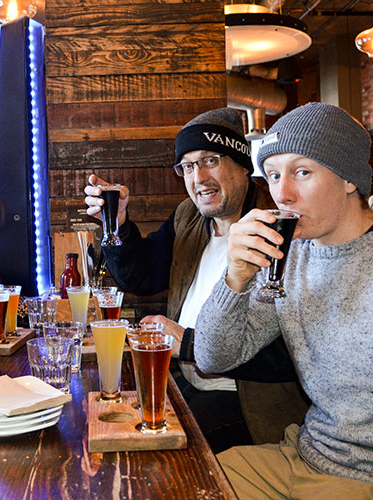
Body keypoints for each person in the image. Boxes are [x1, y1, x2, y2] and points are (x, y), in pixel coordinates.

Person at [195, 102, 373, 499]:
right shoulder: (290, 253)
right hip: (303, 457)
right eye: (273, 175)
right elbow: (214, 357)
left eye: (303, 172)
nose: (282, 194)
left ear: (349, 178)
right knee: (183, 482)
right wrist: (235, 277)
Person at [84, 108, 306, 452]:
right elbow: (140, 277)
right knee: (101, 420)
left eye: (210, 160)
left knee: (151, 449)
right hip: (182, 383)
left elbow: (294, 352)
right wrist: (120, 225)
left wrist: (188, 344)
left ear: (242, 165)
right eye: (187, 166)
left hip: (246, 406)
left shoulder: (281, 227)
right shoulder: (189, 216)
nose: (198, 177)